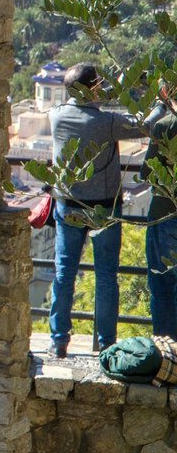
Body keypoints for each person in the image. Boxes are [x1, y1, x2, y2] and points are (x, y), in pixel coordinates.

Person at [48, 63, 152, 357]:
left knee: (64, 272)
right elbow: (145, 124)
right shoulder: (107, 123)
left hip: (68, 206)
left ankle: (58, 340)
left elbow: (84, 103)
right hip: (104, 210)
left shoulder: (56, 116)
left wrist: (102, 90)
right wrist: (149, 92)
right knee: (106, 275)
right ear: (92, 89)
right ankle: (106, 343)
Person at [146, 85, 176, 339]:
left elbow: (148, 172)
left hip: (165, 212)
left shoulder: (164, 126)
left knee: (163, 283)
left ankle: (168, 350)